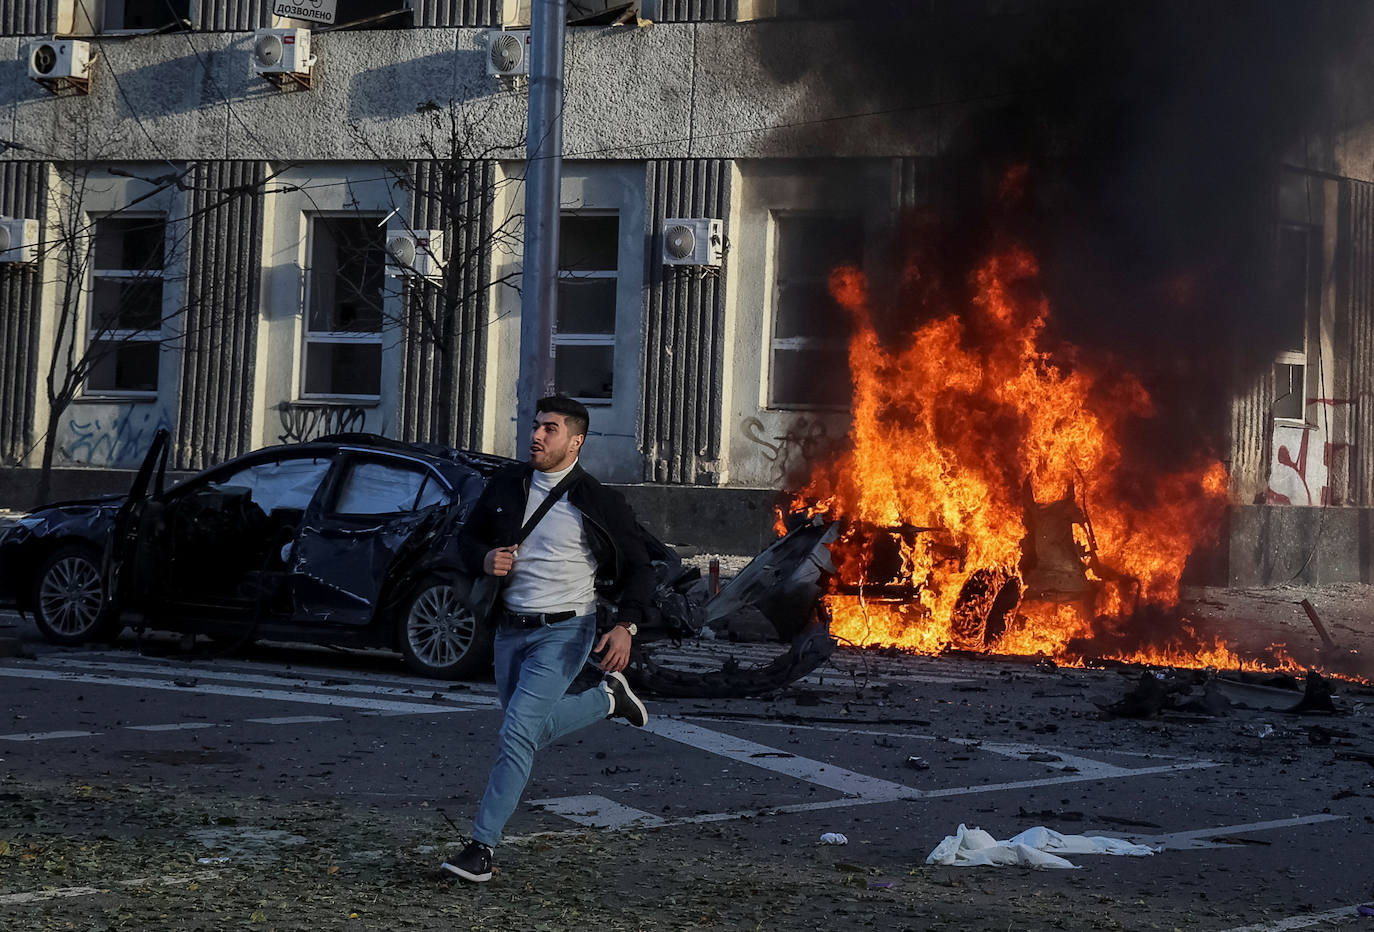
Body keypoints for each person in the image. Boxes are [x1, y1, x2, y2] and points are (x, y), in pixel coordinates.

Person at [440, 395, 654, 884]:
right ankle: (605, 700)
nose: (536, 436)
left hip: (565, 630)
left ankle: (480, 848)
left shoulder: (599, 501)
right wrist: (485, 558)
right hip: (509, 630)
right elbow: (465, 541)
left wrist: (627, 625)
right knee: (527, 731)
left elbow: (642, 568)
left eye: (550, 429)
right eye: (535, 426)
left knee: (516, 733)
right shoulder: (506, 485)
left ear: (576, 441)